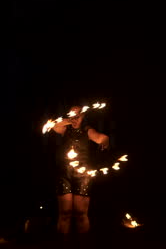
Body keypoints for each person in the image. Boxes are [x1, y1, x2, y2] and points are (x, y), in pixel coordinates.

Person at [51, 105, 109, 247]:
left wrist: (105, 140)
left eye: (79, 115)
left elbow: (101, 137)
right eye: (73, 115)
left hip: (83, 176)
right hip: (65, 174)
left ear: (83, 117)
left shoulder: (87, 130)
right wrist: (68, 120)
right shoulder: (65, 129)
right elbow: (53, 126)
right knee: (65, 212)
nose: (76, 118)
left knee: (80, 213)